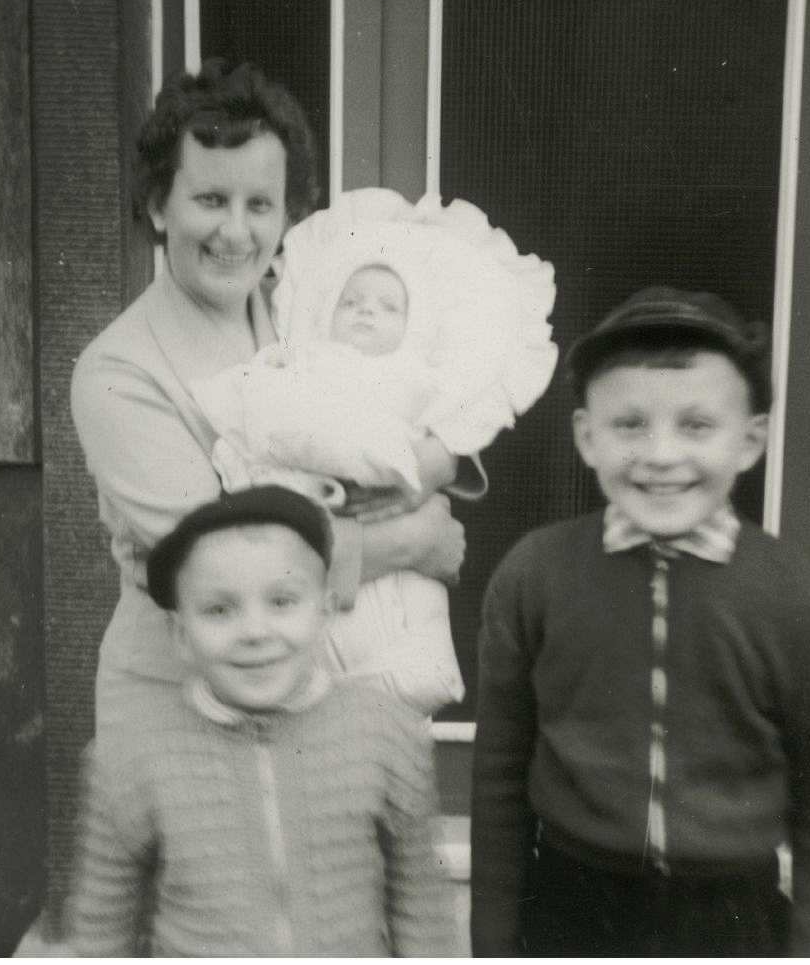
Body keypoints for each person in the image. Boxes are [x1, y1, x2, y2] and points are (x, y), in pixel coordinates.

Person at [69, 60, 476, 734]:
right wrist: (409, 542)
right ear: (156, 205)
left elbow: (406, 390)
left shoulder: (302, 318)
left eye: (259, 205)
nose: (236, 233)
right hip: (180, 711)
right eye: (209, 201)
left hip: (315, 687)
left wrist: (435, 463)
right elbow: (223, 562)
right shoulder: (119, 371)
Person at [469, 286, 810, 958]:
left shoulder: (805, 602)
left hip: (731, 919)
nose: (661, 455)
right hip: (572, 906)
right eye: (629, 425)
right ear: (586, 437)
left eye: (696, 425)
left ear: (750, 442)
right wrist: (493, 939)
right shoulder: (535, 574)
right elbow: (500, 772)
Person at [189, 190, 558, 716]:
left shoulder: (414, 376)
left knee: (399, 645)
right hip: (319, 530)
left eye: (388, 307)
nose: (366, 312)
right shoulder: (296, 362)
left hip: (383, 530)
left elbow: (449, 425)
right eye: (351, 301)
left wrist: (439, 458)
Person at [63, 485, 458, 956]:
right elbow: (100, 932)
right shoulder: (133, 758)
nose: (254, 632)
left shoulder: (386, 736)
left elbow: (424, 914)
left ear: (325, 610)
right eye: (219, 609)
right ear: (181, 634)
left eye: (283, 601)